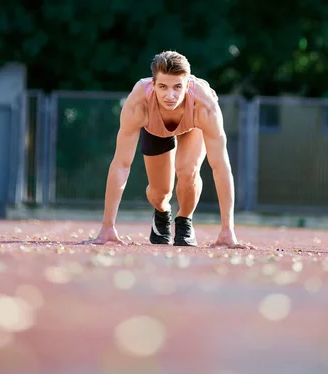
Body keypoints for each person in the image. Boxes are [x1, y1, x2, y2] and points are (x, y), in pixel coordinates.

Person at [92, 51, 255, 249]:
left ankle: (184, 221)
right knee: (159, 192)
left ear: (188, 85)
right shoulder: (139, 103)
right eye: (163, 87)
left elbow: (221, 166)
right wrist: (108, 226)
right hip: (154, 127)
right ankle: (162, 212)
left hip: (192, 126)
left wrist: (228, 231)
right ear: (153, 85)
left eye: (178, 87)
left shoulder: (204, 106)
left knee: (188, 171)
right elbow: (121, 164)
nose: (170, 96)